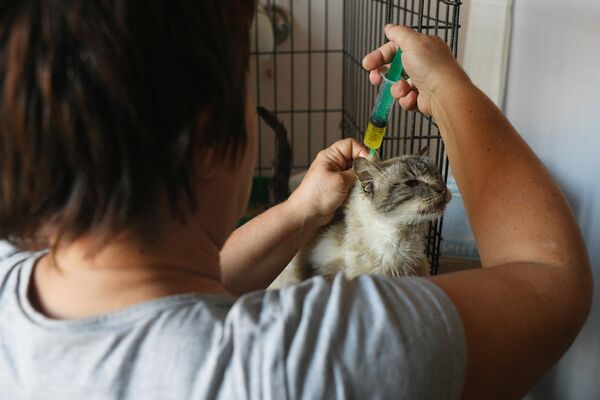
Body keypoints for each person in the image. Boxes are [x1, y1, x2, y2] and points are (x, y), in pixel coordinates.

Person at [0, 1, 591, 398]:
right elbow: (550, 279)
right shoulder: (306, 359)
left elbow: (182, 290)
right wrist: (451, 85)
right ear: (210, 137)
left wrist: (301, 208)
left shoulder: (11, 284)